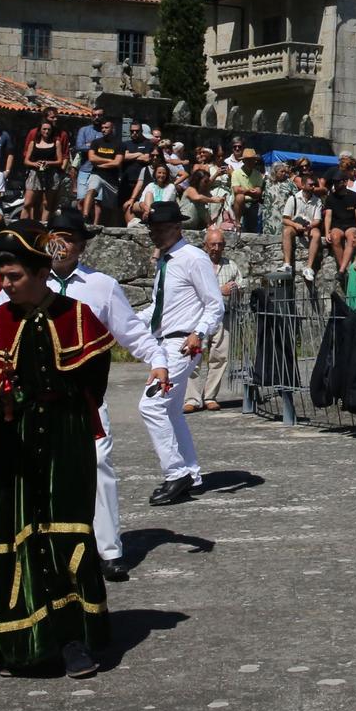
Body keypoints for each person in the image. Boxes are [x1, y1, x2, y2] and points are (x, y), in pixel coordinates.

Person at [0, 208, 169, 582]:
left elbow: (132, 332)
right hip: (33, 401)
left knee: (98, 464)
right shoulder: (24, 281)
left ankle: (109, 550)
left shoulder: (102, 286)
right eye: (55, 236)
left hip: (82, 399)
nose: (61, 244)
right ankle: (44, 549)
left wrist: (157, 360)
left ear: (82, 245)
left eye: (69, 237)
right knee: (33, 473)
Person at [0, 224, 114, 676]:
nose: (5, 285)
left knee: (65, 530)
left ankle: (73, 640)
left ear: (42, 272)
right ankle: (20, 640)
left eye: (14, 276)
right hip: (14, 439)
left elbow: (93, 386)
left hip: (66, 438)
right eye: (2, 277)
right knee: (16, 531)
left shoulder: (78, 316)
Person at [135, 200, 225, 507]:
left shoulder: (193, 258)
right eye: (152, 230)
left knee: (151, 405)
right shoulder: (166, 262)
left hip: (182, 345)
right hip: (165, 342)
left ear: (176, 228)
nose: (154, 235)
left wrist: (198, 334)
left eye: (160, 229)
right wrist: (125, 323)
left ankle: (175, 474)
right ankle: (192, 475)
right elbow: (160, 310)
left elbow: (215, 304)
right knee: (171, 411)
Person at [192, 226, 242, 414]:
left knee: (219, 358)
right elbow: (192, 290)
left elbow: (241, 285)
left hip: (223, 317)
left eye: (220, 244)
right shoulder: (197, 263)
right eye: (213, 244)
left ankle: (210, 396)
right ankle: (192, 398)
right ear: (205, 245)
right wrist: (220, 291)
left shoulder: (231, 265)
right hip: (199, 317)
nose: (216, 248)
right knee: (194, 357)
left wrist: (236, 289)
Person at [21, 118, 66, 223]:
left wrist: (48, 163)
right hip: (35, 174)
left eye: (49, 129)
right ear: (40, 130)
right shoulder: (33, 143)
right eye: (44, 129)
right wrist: (34, 164)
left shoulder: (56, 143)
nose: (46, 132)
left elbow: (60, 161)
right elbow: (26, 161)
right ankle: (21, 225)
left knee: (46, 203)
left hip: (51, 174)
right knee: (28, 203)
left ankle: (43, 226)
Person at [284, 172, 327, 281]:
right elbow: (285, 219)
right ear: (303, 185)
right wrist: (295, 225)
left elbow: (317, 220)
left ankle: (309, 267)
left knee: (316, 233)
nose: (313, 187)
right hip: (295, 226)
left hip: (309, 227)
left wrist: (309, 226)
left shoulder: (317, 200)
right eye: (310, 184)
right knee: (287, 231)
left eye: (314, 185)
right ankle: (287, 264)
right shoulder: (293, 198)